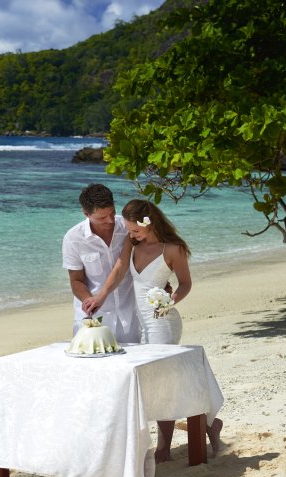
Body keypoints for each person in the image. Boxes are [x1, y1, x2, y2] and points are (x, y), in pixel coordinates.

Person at [88, 199, 222, 461]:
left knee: (162, 384)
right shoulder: (132, 243)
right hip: (139, 323)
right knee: (159, 383)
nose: (131, 234)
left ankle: (164, 448)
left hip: (162, 322)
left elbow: (185, 284)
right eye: (129, 230)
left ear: (149, 223)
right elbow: (119, 270)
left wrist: (169, 302)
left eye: (135, 230)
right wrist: (101, 296)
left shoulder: (172, 249)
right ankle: (209, 424)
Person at [61, 184, 140, 342]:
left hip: (130, 316)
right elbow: (76, 281)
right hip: (94, 318)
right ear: (86, 214)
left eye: (112, 213)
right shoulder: (73, 238)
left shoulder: (128, 227)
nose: (110, 220)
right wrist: (90, 302)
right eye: (102, 218)